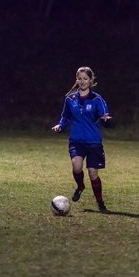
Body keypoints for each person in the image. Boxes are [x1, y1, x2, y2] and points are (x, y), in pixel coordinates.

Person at [52, 66, 111, 213]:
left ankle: (100, 202)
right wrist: (60, 125)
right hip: (76, 141)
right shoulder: (70, 99)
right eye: (80, 78)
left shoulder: (97, 99)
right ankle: (80, 186)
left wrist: (106, 120)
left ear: (91, 80)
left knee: (93, 173)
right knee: (77, 167)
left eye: (85, 79)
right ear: (76, 79)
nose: (82, 81)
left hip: (93, 142)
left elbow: (105, 116)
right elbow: (65, 117)